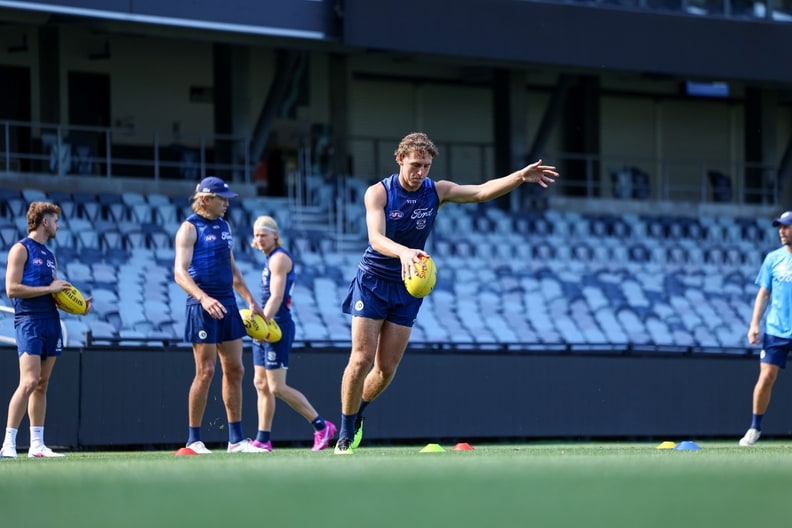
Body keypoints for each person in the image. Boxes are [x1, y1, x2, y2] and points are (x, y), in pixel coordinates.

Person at [334, 132, 559, 454]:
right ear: (400, 160)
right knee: (361, 359)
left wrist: (520, 177)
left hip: (409, 286)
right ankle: (344, 430)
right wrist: (405, 253)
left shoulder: (436, 191)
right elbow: (375, 239)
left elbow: (481, 192)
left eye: (426, 165)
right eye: (415, 165)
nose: (420, 172)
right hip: (373, 281)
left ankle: (359, 414)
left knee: (385, 369)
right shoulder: (378, 193)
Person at [174, 176, 268, 454]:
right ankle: (193, 440)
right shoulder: (189, 228)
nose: (227, 202)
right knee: (206, 371)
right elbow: (179, 272)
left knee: (236, 370)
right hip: (202, 305)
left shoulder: (225, 227)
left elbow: (232, 269)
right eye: (221, 198)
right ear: (205, 199)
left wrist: (250, 299)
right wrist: (203, 298)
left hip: (227, 303)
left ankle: (236, 440)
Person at [1, 201, 92, 458]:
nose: (58, 225)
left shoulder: (49, 256)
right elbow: (12, 289)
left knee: (42, 384)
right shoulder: (20, 249)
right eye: (55, 220)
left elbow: (58, 295)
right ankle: (8, 443)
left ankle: (37, 445)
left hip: (51, 322)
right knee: (28, 381)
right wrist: (49, 289)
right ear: (44, 221)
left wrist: (79, 306)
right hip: (29, 321)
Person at [248, 215, 336, 451]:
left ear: (275, 235)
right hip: (267, 323)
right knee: (260, 383)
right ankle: (263, 439)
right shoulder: (269, 259)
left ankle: (321, 426)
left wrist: (262, 324)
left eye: (263, 235)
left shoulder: (279, 259)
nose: (259, 239)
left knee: (277, 387)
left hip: (277, 326)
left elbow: (276, 296)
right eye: (256, 235)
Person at [739, 210, 792, 446]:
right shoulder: (773, 259)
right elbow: (764, 293)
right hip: (776, 330)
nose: (782, 231)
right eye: (780, 227)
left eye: (786, 227)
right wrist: (753, 324)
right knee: (767, 377)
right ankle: (754, 427)